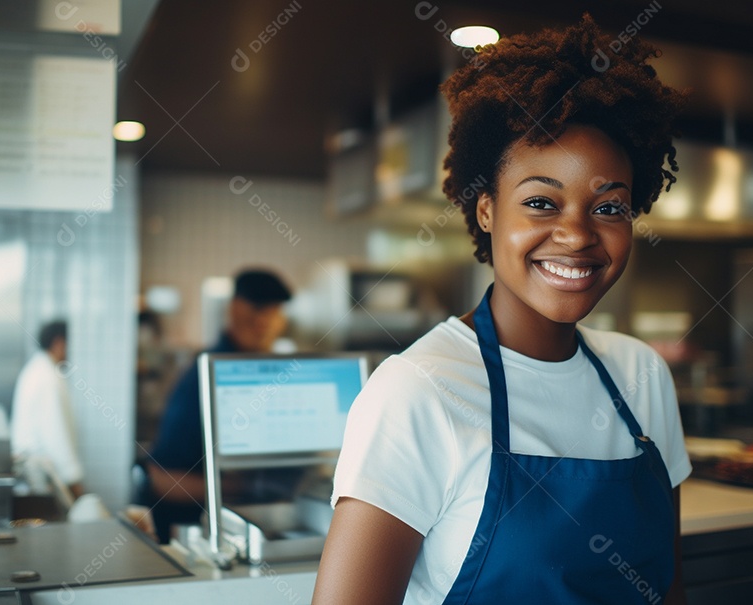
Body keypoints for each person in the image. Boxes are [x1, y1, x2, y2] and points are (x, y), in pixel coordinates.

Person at [314, 16, 691, 605]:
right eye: (541, 202)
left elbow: (668, 590)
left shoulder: (642, 375)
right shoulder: (418, 392)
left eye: (608, 208)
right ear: (486, 210)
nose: (577, 235)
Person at [140, 268, 291, 543]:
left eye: (274, 312)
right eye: (257, 310)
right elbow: (163, 480)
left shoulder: (267, 370)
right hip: (195, 532)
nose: (265, 322)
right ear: (235, 309)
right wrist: (248, 487)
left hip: (252, 528)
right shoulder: (207, 372)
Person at [11, 320, 85, 499]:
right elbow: (56, 433)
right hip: (39, 477)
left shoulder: (38, 370)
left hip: (35, 473)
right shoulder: (47, 377)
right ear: (59, 343)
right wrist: (74, 481)